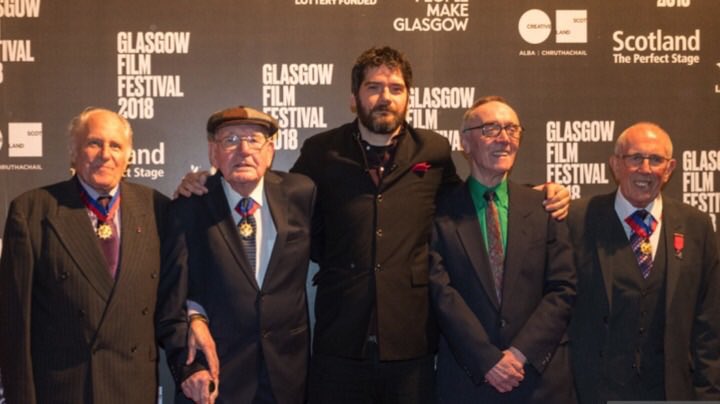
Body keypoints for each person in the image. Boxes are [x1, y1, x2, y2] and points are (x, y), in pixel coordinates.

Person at [175, 46, 571, 403]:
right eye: (374, 87)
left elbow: (471, 200)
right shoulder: (321, 150)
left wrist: (538, 193)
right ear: (354, 99)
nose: (385, 97)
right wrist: (207, 184)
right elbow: (276, 195)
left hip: (411, 339)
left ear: (408, 98)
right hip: (338, 338)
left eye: (396, 88)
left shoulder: (433, 150)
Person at [0, 108, 170, 403]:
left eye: (115, 145)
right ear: (74, 153)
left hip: (132, 390)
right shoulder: (31, 211)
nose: (105, 154)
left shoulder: (158, 208)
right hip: (63, 391)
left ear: (129, 156)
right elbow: (15, 325)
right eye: (94, 143)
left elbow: (174, 299)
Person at [157, 106, 316, 404]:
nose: (243, 150)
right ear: (213, 153)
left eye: (254, 139)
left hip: (287, 378)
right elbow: (171, 299)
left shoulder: (302, 194)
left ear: (270, 152)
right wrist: (190, 365)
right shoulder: (187, 208)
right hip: (216, 379)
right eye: (230, 140)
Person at [429, 96, 577, 403]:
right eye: (490, 129)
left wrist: (520, 354)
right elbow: (440, 292)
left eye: (512, 129)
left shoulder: (545, 207)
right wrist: (487, 360)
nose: (504, 139)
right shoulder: (438, 210)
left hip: (538, 379)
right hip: (469, 380)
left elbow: (563, 288)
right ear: (465, 143)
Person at [567, 122, 720, 402]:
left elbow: (709, 325)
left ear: (670, 168)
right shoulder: (577, 219)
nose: (646, 169)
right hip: (594, 391)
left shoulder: (697, 226)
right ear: (615, 165)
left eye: (656, 160)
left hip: (671, 392)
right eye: (635, 158)